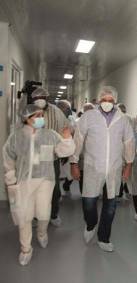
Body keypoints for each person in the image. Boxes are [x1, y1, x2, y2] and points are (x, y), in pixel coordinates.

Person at [2, 104, 75, 266]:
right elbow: (8, 157)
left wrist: (68, 138)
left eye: (41, 115)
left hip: (45, 181)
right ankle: (26, 249)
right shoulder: (16, 137)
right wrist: (11, 178)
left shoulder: (50, 135)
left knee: (43, 213)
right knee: (24, 216)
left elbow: (65, 151)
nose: (40, 118)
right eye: (35, 116)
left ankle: (42, 233)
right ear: (26, 119)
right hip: (23, 182)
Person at [70, 86, 135, 252]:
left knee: (111, 205)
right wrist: (74, 163)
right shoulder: (89, 117)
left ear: (115, 101)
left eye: (110, 100)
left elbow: (128, 143)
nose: (107, 103)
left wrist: (129, 165)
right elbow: (78, 140)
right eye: (104, 100)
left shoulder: (123, 119)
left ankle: (104, 237)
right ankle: (91, 224)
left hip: (114, 168)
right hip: (92, 167)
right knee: (89, 202)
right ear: (99, 100)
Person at [31, 88, 69, 227]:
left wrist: (65, 150)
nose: (39, 99)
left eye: (42, 96)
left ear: (47, 98)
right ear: (33, 99)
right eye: (37, 97)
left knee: (54, 189)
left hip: (52, 156)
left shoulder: (56, 111)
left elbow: (66, 128)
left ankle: (53, 214)